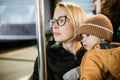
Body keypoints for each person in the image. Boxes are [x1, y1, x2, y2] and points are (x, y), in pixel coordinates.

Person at [33, 2, 86, 80]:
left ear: (77, 22)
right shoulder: (45, 57)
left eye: (61, 20)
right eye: (54, 21)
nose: (54, 26)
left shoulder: (93, 53)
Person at [78, 14, 120, 80]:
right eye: (82, 36)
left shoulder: (93, 55)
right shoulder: (116, 51)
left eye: (88, 35)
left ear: (103, 37)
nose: (83, 39)